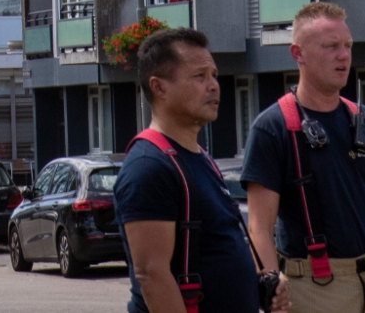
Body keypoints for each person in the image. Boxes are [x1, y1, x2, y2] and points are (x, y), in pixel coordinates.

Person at [115, 28, 288, 313]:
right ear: (158, 87)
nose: (214, 86)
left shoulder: (200, 158)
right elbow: (151, 275)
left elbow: (213, 249)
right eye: (199, 76)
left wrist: (259, 284)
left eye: (214, 75)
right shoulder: (148, 167)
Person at [243, 2, 365, 313]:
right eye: (331, 46)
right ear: (298, 53)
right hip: (314, 290)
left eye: (347, 46)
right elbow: (259, 226)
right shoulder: (273, 128)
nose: (344, 55)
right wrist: (272, 285)